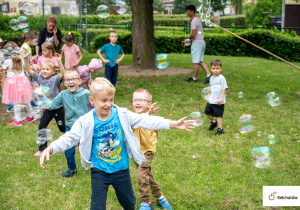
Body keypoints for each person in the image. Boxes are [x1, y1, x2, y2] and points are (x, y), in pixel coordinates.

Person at [40, 77, 194, 210]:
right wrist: (51, 148)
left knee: (129, 203)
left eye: (111, 99)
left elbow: (146, 120)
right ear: (92, 101)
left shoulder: (122, 114)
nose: (108, 104)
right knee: (97, 207)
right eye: (104, 100)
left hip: (121, 170)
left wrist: (172, 124)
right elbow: (69, 138)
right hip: (99, 171)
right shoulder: (86, 121)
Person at [132, 89, 172, 210]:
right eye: (135, 100)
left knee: (141, 176)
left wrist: (149, 114)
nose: (138, 102)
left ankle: (146, 202)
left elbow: (151, 126)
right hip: (135, 152)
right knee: (147, 175)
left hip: (147, 152)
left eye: (141, 100)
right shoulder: (131, 117)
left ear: (149, 104)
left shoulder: (151, 118)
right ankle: (160, 197)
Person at [48, 69, 90, 177]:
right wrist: (42, 100)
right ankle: (72, 169)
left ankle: (95, 167)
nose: (71, 82)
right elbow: (52, 105)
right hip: (71, 127)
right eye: (68, 80)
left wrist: (95, 91)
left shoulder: (86, 93)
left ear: (80, 81)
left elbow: (97, 100)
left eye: (74, 79)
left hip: (86, 127)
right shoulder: (63, 95)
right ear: (65, 83)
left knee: (89, 148)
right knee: (68, 150)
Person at [23, 52, 66, 156]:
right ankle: (42, 149)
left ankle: (75, 138)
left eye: (47, 69)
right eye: (43, 69)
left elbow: (63, 74)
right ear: (40, 70)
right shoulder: (40, 78)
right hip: (47, 108)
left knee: (62, 129)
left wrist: (59, 61)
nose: (45, 71)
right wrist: (25, 59)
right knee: (42, 126)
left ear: (53, 71)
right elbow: (29, 70)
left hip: (58, 108)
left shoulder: (55, 79)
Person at [1, 42, 35, 126]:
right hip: (23, 81)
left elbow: (1, 69)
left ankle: (18, 121)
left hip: (12, 83)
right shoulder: (22, 60)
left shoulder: (8, 61)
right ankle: (31, 115)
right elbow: (27, 67)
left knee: (16, 101)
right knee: (25, 99)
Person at [184, 5, 211, 84]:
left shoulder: (194, 21)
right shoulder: (197, 19)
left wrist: (187, 40)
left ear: (192, 11)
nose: (187, 13)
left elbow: (193, 34)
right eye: (186, 11)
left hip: (197, 43)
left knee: (196, 62)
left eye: (188, 11)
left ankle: (194, 78)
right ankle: (209, 75)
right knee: (199, 61)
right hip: (201, 42)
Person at [204, 59, 228, 135]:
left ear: (221, 69)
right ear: (211, 69)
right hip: (212, 100)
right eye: (213, 69)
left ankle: (220, 129)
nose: (215, 70)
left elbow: (224, 89)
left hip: (219, 101)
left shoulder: (221, 78)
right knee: (207, 112)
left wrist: (221, 98)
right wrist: (209, 94)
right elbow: (211, 87)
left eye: (217, 68)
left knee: (218, 115)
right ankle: (213, 122)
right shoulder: (211, 78)